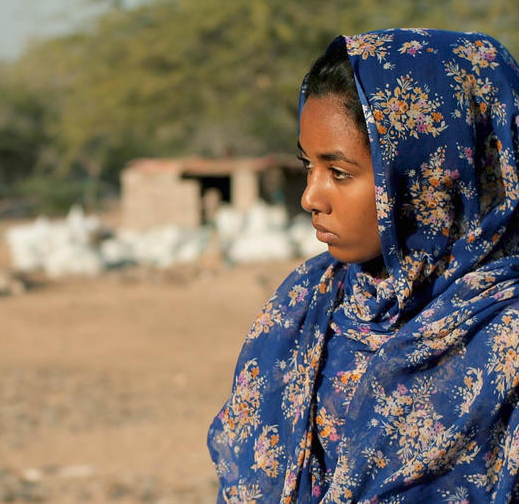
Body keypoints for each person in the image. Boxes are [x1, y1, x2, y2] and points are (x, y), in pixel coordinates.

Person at [208, 28, 519, 502]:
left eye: (339, 172)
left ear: (428, 178)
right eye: (307, 165)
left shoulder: (506, 336)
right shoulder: (306, 302)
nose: (310, 197)